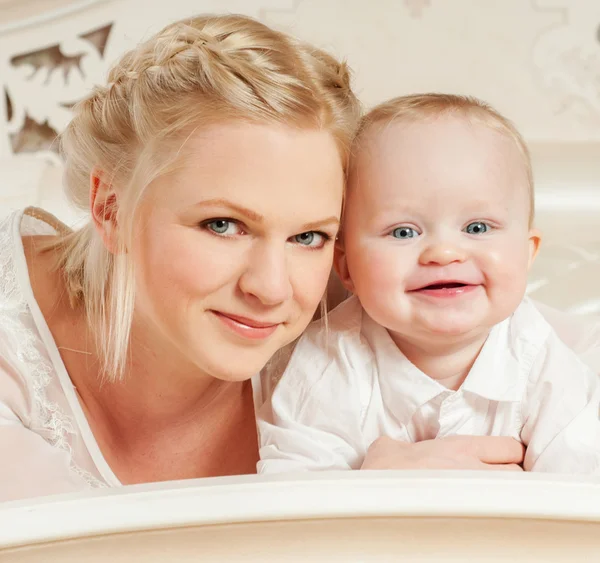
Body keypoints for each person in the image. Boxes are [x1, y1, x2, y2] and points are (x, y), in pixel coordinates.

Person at [0, 14, 534, 504]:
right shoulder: (13, 354)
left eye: (309, 236)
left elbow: (547, 345)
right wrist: (356, 508)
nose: (272, 289)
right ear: (110, 207)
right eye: (223, 225)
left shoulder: (362, 301)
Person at [257, 94, 600, 474]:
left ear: (526, 253)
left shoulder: (543, 359)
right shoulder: (329, 362)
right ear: (347, 267)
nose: (444, 252)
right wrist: (374, 483)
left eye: (477, 227)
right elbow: (291, 504)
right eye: (403, 231)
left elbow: (580, 494)